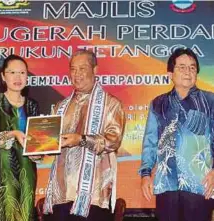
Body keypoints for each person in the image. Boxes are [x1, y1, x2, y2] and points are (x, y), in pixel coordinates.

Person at [43, 50, 126, 221]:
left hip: (93, 195)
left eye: (83, 68)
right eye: (73, 69)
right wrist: (38, 145)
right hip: (62, 193)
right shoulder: (60, 106)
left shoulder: (111, 104)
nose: (77, 74)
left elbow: (113, 141)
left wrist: (81, 140)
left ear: (95, 70)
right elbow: (50, 145)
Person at [139, 48, 214, 221]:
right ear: (170, 73)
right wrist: (145, 175)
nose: (188, 72)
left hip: (200, 184)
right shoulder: (158, 103)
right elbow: (150, 142)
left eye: (192, 67)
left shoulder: (210, 101)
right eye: (181, 67)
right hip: (166, 185)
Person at [0, 54, 40, 221]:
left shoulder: (32, 105)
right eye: (12, 72)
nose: (17, 77)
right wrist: (13, 134)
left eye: (22, 73)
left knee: (24, 213)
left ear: (27, 76)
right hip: (0, 172)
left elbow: (36, 140)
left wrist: (39, 151)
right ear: (3, 76)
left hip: (26, 174)